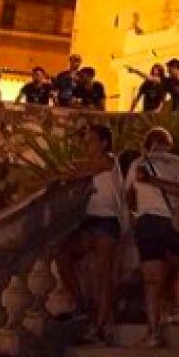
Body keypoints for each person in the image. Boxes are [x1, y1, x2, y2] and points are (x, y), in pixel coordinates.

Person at [124, 127, 179, 347]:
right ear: (168, 143)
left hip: (146, 224)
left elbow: (127, 194)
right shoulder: (175, 163)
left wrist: (133, 215)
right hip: (170, 222)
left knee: (152, 281)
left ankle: (153, 332)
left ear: (148, 143)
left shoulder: (137, 164)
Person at [55, 124, 125, 345]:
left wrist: (68, 171)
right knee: (64, 256)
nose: (88, 145)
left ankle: (99, 328)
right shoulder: (93, 165)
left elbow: (85, 170)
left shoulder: (109, 160)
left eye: (92, 140)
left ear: (104, 142)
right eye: (86, 141)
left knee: (103, 276)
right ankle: (82, 305)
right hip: (89, 220)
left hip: (107, 221)